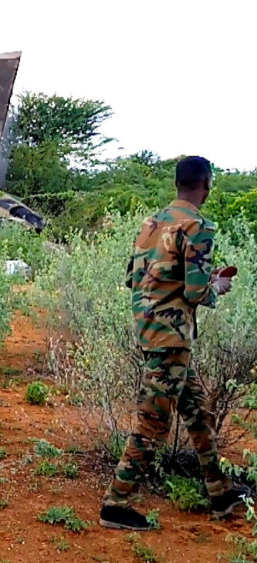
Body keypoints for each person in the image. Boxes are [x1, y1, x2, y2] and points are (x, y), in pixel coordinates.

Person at [100, 156, 249, 531]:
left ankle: (221, 493)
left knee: (199, 412)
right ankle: (116, 504)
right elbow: (196, 290)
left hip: (152, 331)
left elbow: (136, 279)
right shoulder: (197, 225)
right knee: (153, 422)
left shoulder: (151, 224)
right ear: (207, 184)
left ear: (177, 183)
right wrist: (216, 286)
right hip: (172, 337)